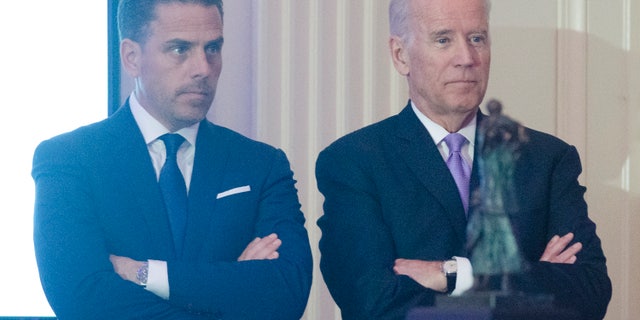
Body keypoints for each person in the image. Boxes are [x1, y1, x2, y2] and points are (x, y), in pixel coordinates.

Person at [315, 0, 611, 319]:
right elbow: (373, 302)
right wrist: (532, 284)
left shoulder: (547, 158)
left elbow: (590, 292)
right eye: (443, 39)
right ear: (401, 55)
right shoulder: (354, 162)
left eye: (477, 38)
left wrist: (454, 275)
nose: (467, 58)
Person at [32, 0, 312, 319]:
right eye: (180, 49)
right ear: (131, 57)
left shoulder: (262, 165)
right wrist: (234, 285)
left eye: (213, 48)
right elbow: (84, 300)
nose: (203, 68)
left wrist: (144, 274)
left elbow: (287, 292)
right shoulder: (68, 161)